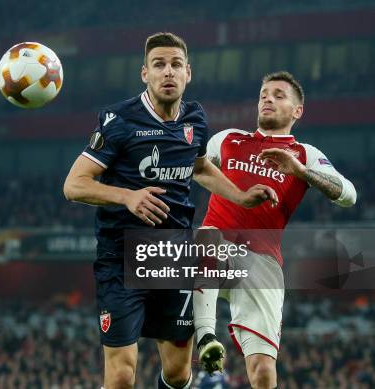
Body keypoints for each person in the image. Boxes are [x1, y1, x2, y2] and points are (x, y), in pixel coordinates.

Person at [63, 32, 278, 389]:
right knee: (120, 374)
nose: (168, 72)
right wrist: (126, 197)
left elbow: (201, 168)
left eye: (176, 65)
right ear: (144, 73)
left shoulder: (195, 119)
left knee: (179, 373)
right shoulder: (119, 120)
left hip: (174, 256)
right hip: (122, 256)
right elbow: (74, 185)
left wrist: (241, 196)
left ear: (188, 73)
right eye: (159, 65)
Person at [193, 71, 357, 388]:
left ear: (298, 111)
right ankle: (206, 336)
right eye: (264, 94)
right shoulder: (227, 139)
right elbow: (192, 169)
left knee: (264, 372)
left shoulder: (305, 154)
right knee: (207, 236)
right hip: (215, 246)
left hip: (262, 260)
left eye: (279, 95)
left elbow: (348, 195)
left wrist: (300, 171)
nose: (268, 98)